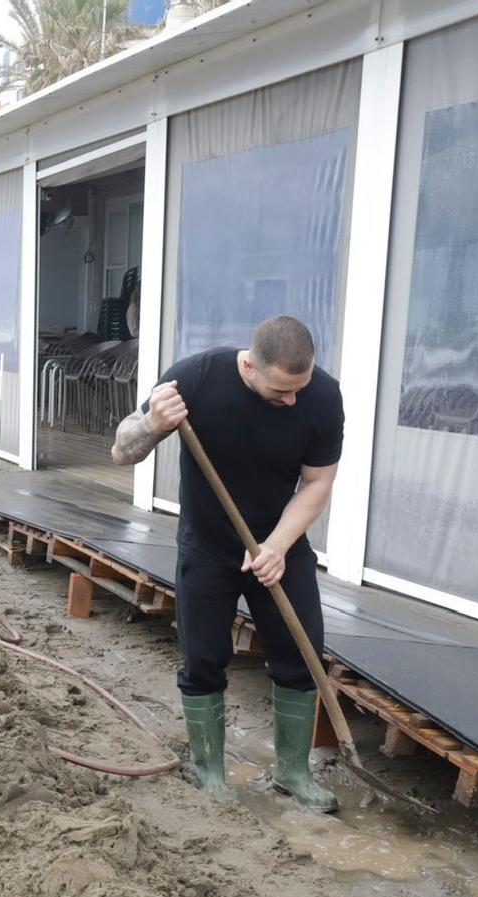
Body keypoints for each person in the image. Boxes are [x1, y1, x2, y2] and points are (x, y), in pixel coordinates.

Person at [109, 314, 342, 812]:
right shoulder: (197, 378)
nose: (292, 400)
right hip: (208, 546)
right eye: (281, 391)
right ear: (249, 366)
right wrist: (152, 422)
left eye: (299, 388)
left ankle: (293, 773)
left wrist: (277, 545)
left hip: (279, 545)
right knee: (203, 659)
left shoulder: (322, 396)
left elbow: (318, 482)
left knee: (302, 656)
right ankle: (210, 770)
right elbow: (122, 450)